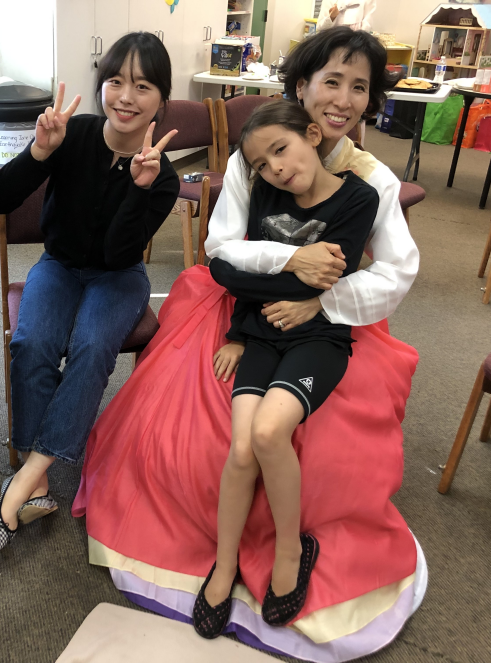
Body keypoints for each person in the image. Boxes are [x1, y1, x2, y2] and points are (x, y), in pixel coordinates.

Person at [73, 26, 423, 659]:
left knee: (320, 443)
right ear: (302, 87)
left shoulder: (371, 182)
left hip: (331, 318)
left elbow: (396, 274)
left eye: (359, 87)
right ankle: (219, 552)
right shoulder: (253, 154)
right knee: (194, 425)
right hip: (244, 311)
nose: (343, 100)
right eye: (331, 81)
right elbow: (221, 249)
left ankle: (290, 545)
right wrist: (292, 261)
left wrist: (322, 300)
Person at [0, 32, 179, 551]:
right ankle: (37, 477)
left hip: (120, 275)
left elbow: (118, 253)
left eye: (142, 86)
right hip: (60, 265)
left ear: (162, 98)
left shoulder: (162, 174)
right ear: (101, 86)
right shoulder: (73, 135)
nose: (126, 97)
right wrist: (38, 152)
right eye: (115, 81)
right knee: (32, 343)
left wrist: (138, 189)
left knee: (92, 348)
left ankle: (28, 475)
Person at [193, 101, 379, 638]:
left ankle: (292, 549)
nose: (275, 168)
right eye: (262, 163)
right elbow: (227, 270)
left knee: (269, 431)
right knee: (241, 449)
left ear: (313, 135)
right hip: (260, 331)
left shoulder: (358, 198)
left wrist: (275, 281)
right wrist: (241, 324)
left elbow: (325, 279)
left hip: (319, 335)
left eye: (281, 149)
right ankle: (225, 563)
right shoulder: (265, 193)